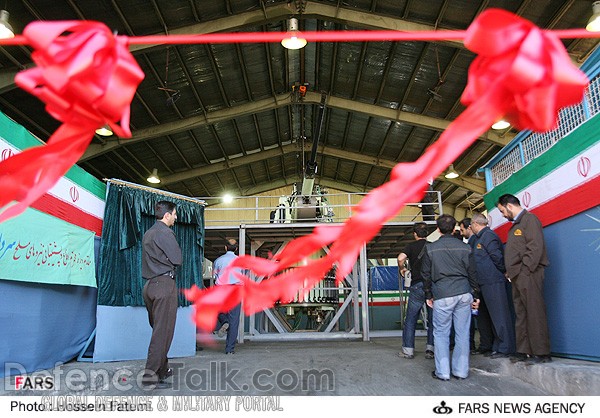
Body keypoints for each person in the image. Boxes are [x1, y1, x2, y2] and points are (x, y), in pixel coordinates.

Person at [422, 214, 480, 381]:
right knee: (463, 333)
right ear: (455, 228)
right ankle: (461, 371)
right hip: (463, 293)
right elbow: (472, 272)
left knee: (441, 333)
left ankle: (443, 372)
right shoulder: (466, 247)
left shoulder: (430, 248)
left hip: (442, 293)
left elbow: (425, 274)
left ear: (438, 229)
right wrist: (475, 293)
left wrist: (428, 294)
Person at [496, 194, 551, 364]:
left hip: (529, 274)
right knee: (521, 313)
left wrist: (525, 270)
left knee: (534, 312)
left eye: (502, 211)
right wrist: (511, 272)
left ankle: (541, 352)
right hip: (517, 276)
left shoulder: (530, 220)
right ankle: (524, 350)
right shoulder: (515, 226)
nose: (503, 215)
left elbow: (534, 248)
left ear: (509, 206)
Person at [141, 201, 182, 389]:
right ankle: (149, 378)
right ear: (167, 216)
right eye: (174, 214)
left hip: (149, 285)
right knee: (162, 334)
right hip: (164, 285)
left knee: (159, 331)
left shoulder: (148, 233)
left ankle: (162, 370)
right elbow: (177, 259)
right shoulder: (165, 232)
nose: (175, 217)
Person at [470, 213, 516, 358]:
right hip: (482, 283)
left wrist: (504, 271)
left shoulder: (489, 236)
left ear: (476, 223)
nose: (470, 227)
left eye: (471, 224)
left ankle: (505, 348)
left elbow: (497, 257)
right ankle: (494, 346)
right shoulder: (477, 239)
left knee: (499, 315)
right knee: (488, 317)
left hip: (493, 281)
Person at [397, 222, 434, 360]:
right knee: (433, 319)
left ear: (415, 234)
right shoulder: (432, 246)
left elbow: (401, 258)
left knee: (411, 319)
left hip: (417, 285)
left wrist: (402, 269)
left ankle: (408, 350)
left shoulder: (411, 247)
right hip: (431, 286)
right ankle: (430, 349)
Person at [460, 217, 493, 356]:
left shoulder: (474, 241)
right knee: (482, 316)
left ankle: (485, 344)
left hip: (480, 283)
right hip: (482, 282)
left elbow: (472, 266)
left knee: (481, 316)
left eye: (462, 229)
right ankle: (486, 344)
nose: (461, 233)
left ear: (471, 227)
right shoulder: (477, 240)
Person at [213, 239, 242, 354]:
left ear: (225, 248)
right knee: (234, 320)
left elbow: (215, 276)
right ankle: (229, 350)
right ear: (236, 249)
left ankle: (224, 321)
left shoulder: (218, 260)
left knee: (218, 311)